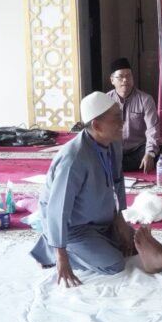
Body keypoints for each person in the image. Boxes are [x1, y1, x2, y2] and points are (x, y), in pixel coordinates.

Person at [30, 92, 134, 287]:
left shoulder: (113, 143)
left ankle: (97, 243)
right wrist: (61, 256)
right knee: (114, 264)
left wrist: (120, 219)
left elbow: (117, 181)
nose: (122, 123)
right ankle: (51, 249)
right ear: (97, 126)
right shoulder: (74, 158)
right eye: (116, 119)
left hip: (102, 221)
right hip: (74, 229)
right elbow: (58, 209)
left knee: (136, 244)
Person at [106, 57, 161, 173]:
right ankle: (117, 165)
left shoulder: (145, 99)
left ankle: (117, 166)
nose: (125, 80)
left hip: (138, 149)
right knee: (102, 156)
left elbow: (153, 129)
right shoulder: (106, 100)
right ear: (112, 80)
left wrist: (150, 153)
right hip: (114, 149)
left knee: (153, 153)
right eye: (120, 77)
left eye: (128, 76)